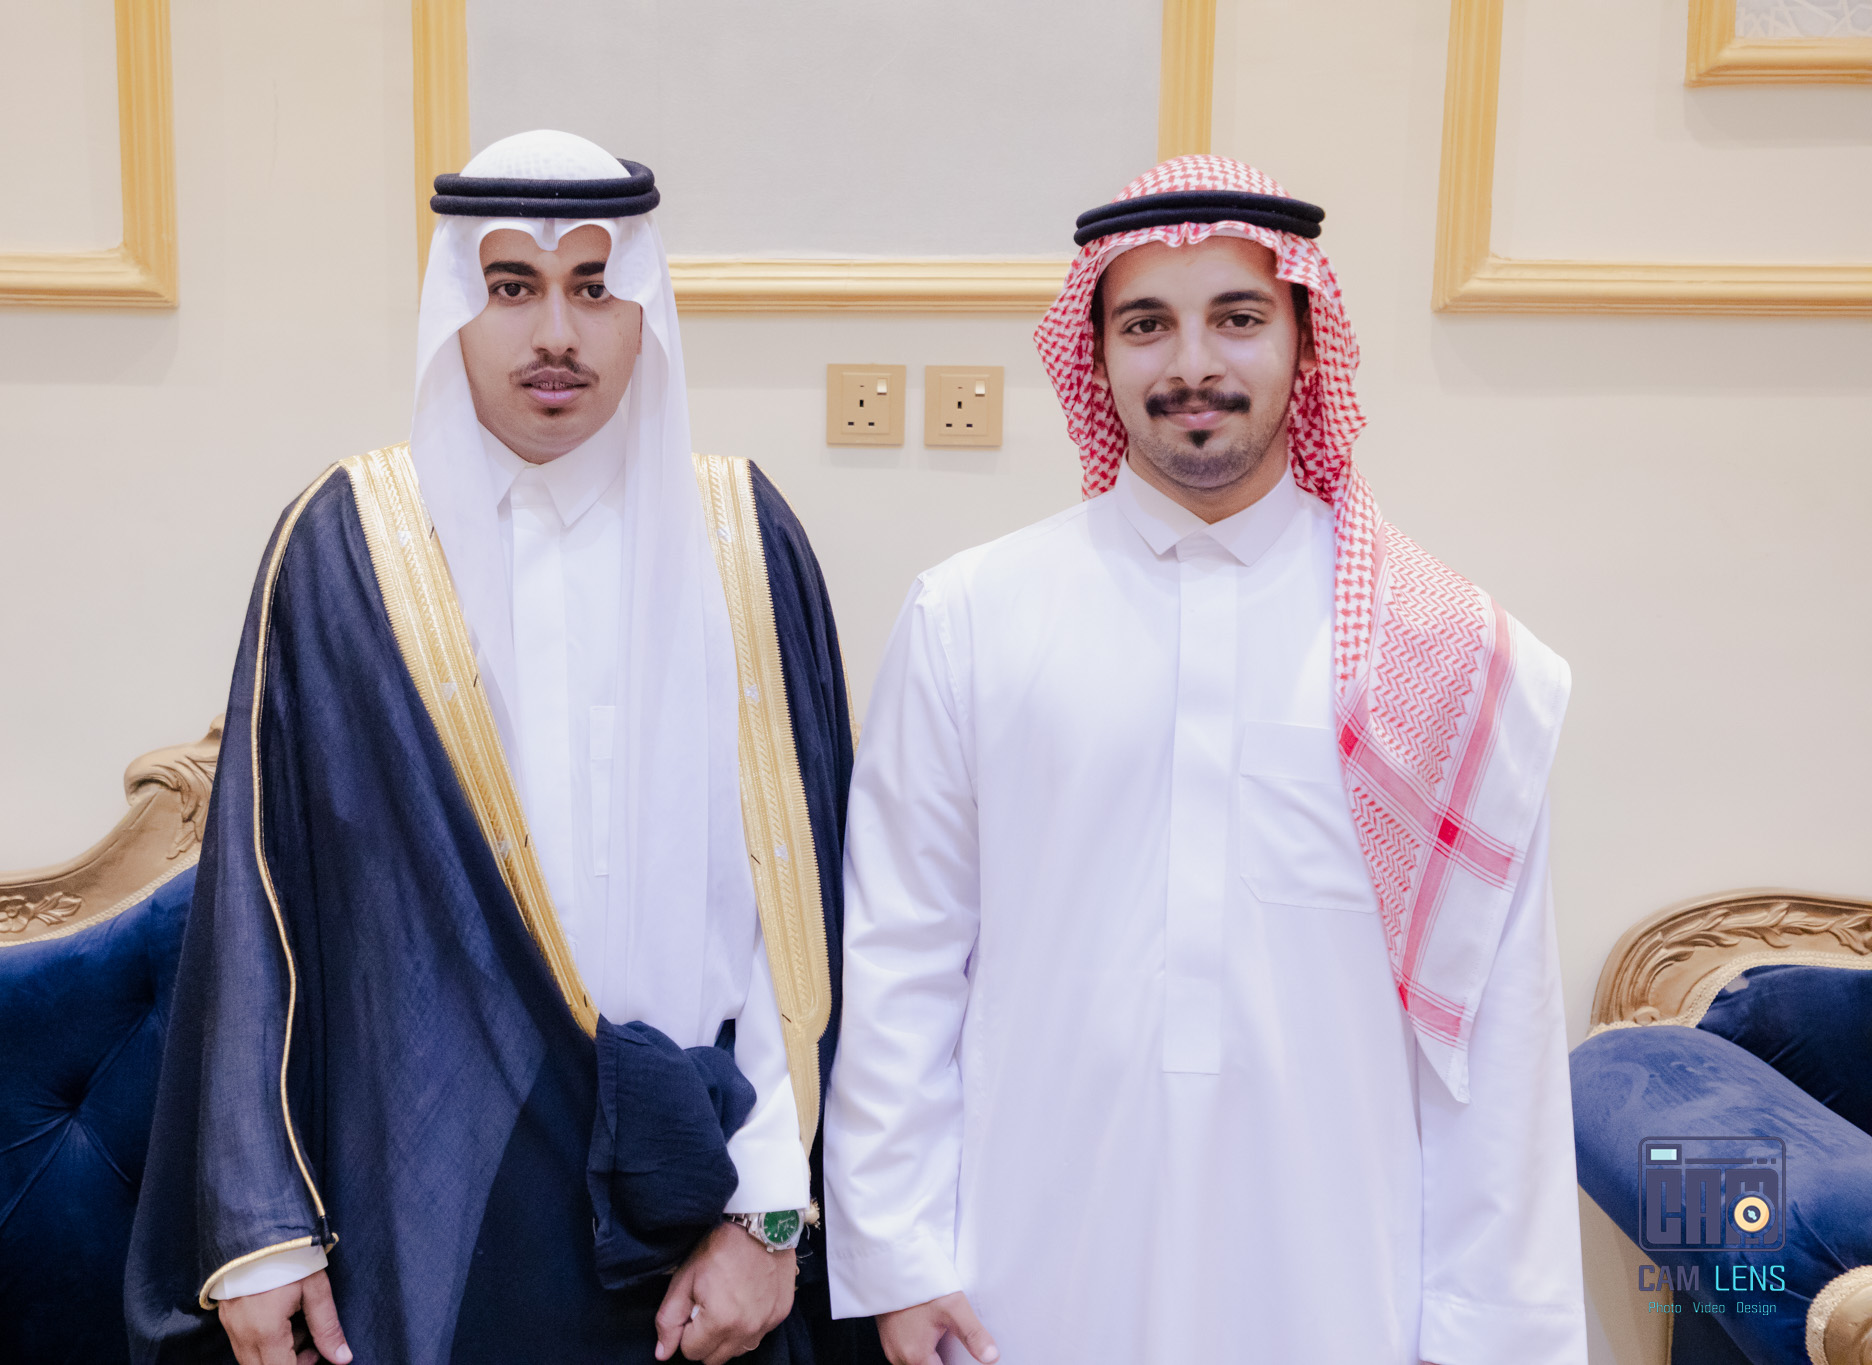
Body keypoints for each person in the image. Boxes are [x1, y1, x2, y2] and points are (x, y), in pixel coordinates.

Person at [822, 156, 1586, 1364]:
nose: (1190, 364)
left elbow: (1495, 1042)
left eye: (1236, 318)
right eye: (1144, 325)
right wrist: (899, 1254)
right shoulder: (969, 616)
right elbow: (902, 955)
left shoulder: (1444, 650)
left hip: (1339, 1277)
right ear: (1094, 357)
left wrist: (1489, 1332)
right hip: (1029, 1261)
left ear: (1304, 342)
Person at [125, 130, 865, 1365]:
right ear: (453, 309)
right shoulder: (347, 547)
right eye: (511, 286)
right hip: (431, 1196)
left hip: (708, 1212)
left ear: (646, 308)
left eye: (594, 286)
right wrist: (262, 1232)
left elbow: (809, 919)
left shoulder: (742, 538)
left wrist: (770, 1216)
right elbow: (260, 900)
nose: (555, 334)